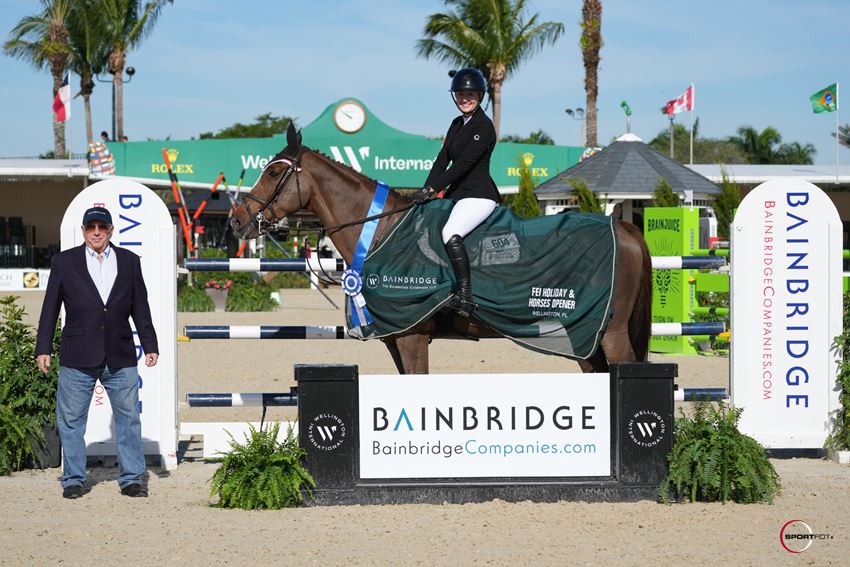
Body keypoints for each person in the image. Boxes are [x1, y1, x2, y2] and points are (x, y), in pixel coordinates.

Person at [35, 206, 159, 499]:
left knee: (129, 419)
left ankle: (131, 479)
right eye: (90, 227)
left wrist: (150, 343)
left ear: (111, 230)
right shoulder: (64, 262)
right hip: (77, 354)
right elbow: (50, 307)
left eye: (101, 227)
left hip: (120, 352)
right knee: (71, 420)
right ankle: (74, 479)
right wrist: (43, 347)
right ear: (82, 231)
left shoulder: (129, 262)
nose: (96, 232)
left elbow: (140, 306)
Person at [412, 68, 501, 317]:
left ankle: (465, 295)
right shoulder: (455, 124)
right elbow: (442, 160)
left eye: (470, 94)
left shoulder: (484, 127)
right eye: (461, 94)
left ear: (480, 95)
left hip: (478, 196)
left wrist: (433, 189)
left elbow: (462, 167)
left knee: (450, 232)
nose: (465, 98)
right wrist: (424, 188)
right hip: (457, 195)